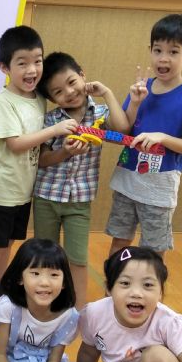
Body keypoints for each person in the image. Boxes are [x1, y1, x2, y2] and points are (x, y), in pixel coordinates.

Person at [0, 26, 79, 327]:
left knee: (7, 244)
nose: (32, 70)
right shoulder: (4, 101)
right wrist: (55, 130)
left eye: (37, 61)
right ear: (5, 68)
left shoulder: (38, 98)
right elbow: (15, 144)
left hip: (22, 190)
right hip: (1, 189)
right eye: (22, 63)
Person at [33, 53, 130, 308]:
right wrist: (64, 152)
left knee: (77, 258)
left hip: (80, 201)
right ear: (52, 98)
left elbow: (123, 129)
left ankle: (77, 310)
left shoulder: (100, 114)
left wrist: (106, 93)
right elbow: (41, 160)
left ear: (82, 75)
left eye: (72, 82)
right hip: (46, 198)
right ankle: (45, 304)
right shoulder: (51, 120)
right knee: (45, 256)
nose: (69, 92)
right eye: (58, 91)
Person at [105, 13, 182, 258]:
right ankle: (115, 283)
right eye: (158, 50)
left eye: (173, 52)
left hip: (159, 187)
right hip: (128, 179)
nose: (163, 58)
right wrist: (135, 102)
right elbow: (124, 130)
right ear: (149, 50)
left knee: (154, 248)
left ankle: (151, 285)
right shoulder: (141, 88)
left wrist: (162, 137)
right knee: (120, 241)